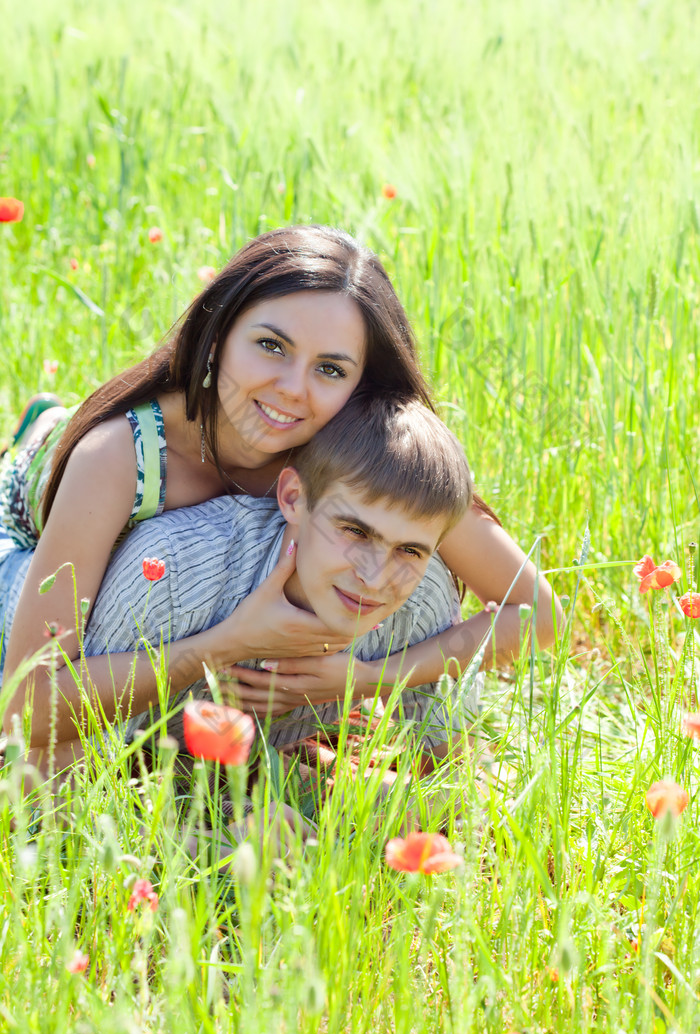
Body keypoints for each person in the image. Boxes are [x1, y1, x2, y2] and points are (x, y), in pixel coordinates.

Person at [0, 224, 561, 751]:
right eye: (271, 345)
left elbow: (538, 615)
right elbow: (21, 706)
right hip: (25, 516)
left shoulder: (343, 445)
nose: (292, 390)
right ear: (218, 336)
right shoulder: (118, 458)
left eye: (331, 370)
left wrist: (365, 678)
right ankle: (44, 425)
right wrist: (224, 646)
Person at [4, 395, 478, 783]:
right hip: (28, 593)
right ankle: (44, 434)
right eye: (355, 532)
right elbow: (46, 760)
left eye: (410, 550)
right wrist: (206, 840)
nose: (376, 578)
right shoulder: (171, 570)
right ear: (293, 498)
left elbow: (455, 780)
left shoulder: (422, 596)